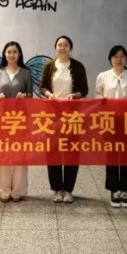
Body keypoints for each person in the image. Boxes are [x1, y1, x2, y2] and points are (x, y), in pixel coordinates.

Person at [40, 35, 88, 203]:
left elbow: (84, 89)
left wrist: (74, 95)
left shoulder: (78, 66)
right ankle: (57, 189)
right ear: (56, 48)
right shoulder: (49, 65)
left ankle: (68, 189)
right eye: (60, 45)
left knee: (71, 151)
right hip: (52, 115)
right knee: (53, 150)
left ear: (70, 48)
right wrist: (48, 94)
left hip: (72, 114)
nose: (62, 48)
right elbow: (42, 86)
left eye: (66, 45)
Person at [94, 45, 127, 208]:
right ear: (110, 59)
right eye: (115, 56)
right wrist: (101, 100)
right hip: (109, 121)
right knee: (112, 155)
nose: (119, 59)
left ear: (126, 59)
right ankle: (114, 189)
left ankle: (125, 190)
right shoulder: (103, 76)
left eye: (122, 56)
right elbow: (97, 95)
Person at [0, 41, 33, 203]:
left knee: (20, 154)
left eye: (15, 52)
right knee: (3, 154)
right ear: (4, 54)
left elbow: (31, 95)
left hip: (20, 119)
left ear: (19, 54)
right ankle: (4, 191)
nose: (12, 55)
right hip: (2, 119)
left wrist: (24, 96)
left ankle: (18, 191)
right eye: (9, 52)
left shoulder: (26, 73)